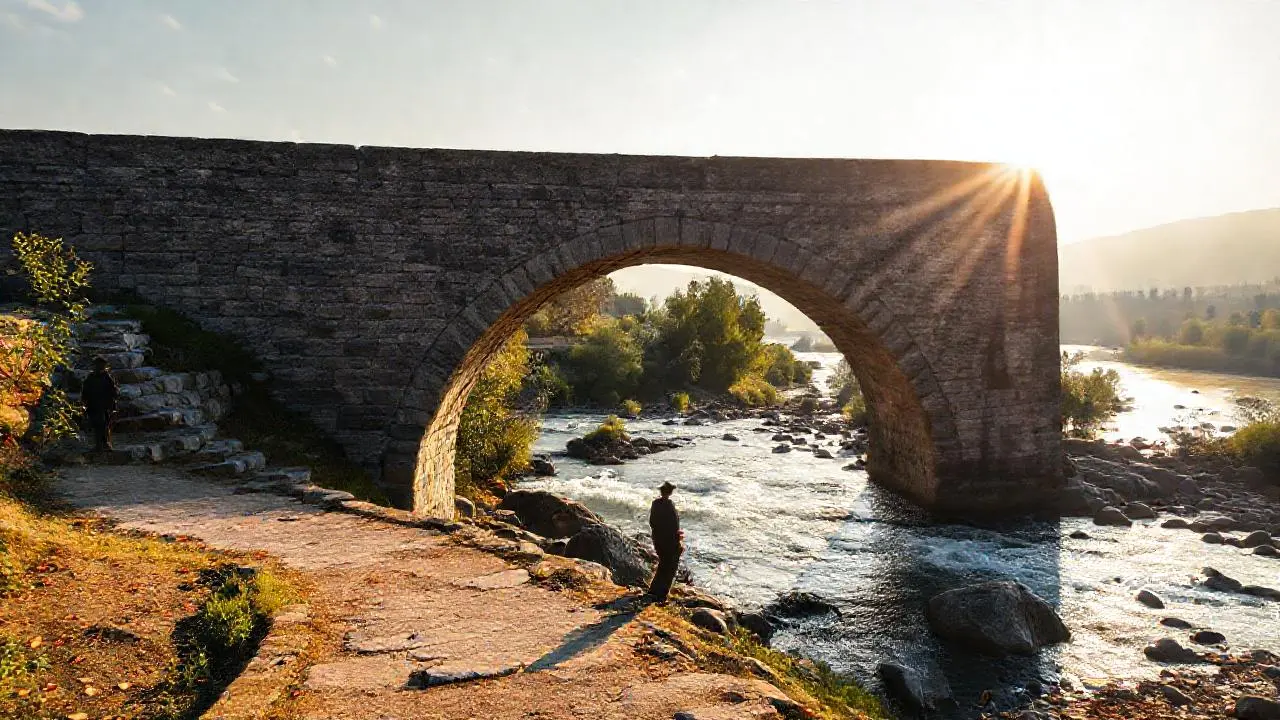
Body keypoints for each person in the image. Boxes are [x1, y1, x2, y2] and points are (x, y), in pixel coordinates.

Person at [646, 480, 683, 602]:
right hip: (669, 541)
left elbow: (652, 522)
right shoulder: (669, 505)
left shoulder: (655, 503)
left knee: (662, 565)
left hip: (658, 539)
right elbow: (674, 526)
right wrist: (677, 539)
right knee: (670, 566)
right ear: (670, 492)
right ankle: (661, 595)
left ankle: (654, 591)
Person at [81, 355, 118, 452]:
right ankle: (99, 445)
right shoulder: (91, 378)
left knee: (104, 425)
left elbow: (113, 392)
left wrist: (113, 406)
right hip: (93, 405)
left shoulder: (107, 378)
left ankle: (105, 444)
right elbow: (85, 391)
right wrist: (84, 403)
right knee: (97, 425)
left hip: (104, 406)